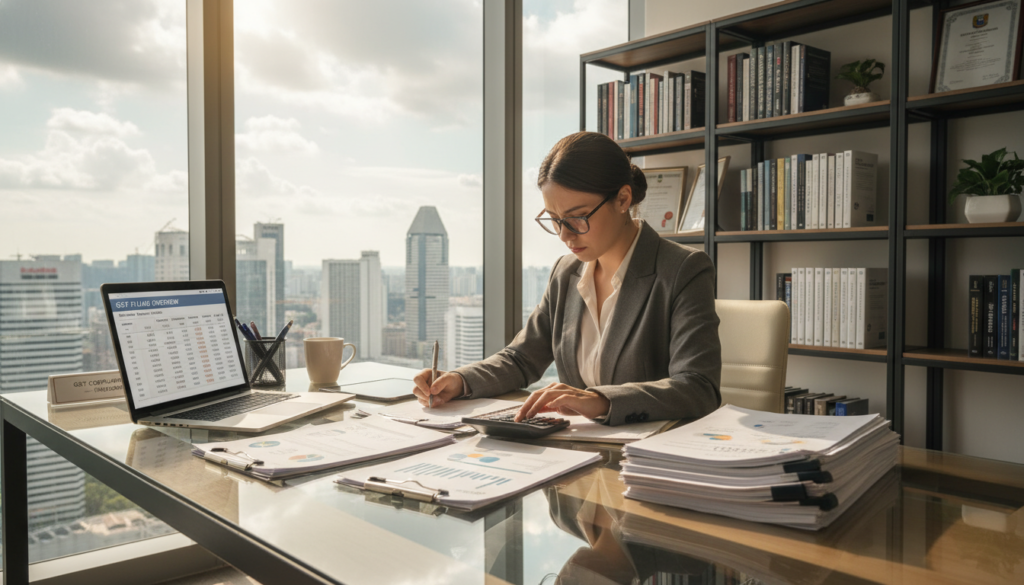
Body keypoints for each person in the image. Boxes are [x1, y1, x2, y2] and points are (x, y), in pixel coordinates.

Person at [413, 131, 721, 425]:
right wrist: (460, 380)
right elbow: (521, 359)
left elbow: (698, 387)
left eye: (577, 217)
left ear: (623, 199)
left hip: (648, 456)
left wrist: (600, 401)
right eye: (555, 220)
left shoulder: (683, 270)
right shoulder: (566, 272)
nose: (564, 235)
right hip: (576, 449)